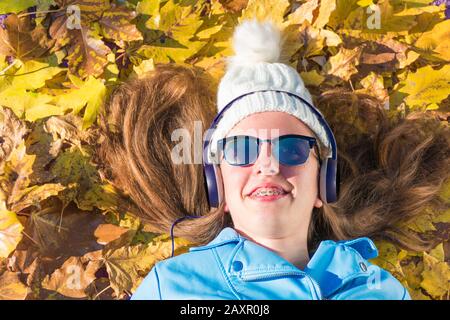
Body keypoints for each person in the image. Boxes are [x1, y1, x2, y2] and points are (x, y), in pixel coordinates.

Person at [97, 20, 450, 300]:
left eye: (291, 149)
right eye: (240, 150)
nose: (267, 164)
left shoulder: (380, 290)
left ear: (321, 183)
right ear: (216, 184)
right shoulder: (174, 288)